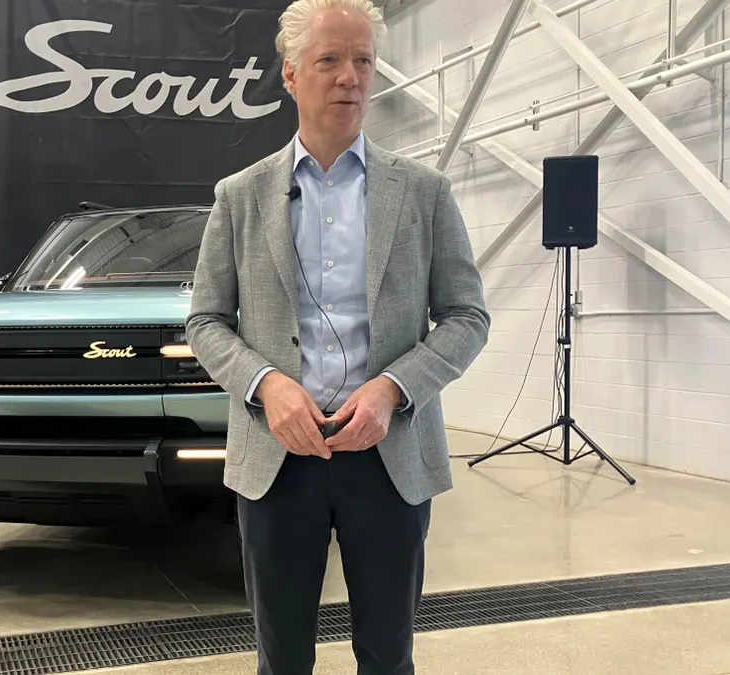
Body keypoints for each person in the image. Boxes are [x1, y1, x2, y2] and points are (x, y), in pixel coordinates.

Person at [184, 0, 491, 672]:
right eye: (329, 60)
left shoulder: (424, 194)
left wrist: (393, 388)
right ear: (291, 75)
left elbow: (468, 316)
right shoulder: (239, 196)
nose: (349, 76)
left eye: (363, 60)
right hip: (276, 459)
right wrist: (267, 386)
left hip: (389, 460)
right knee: (282, 657)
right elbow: (206, 321)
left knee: (388, 655)